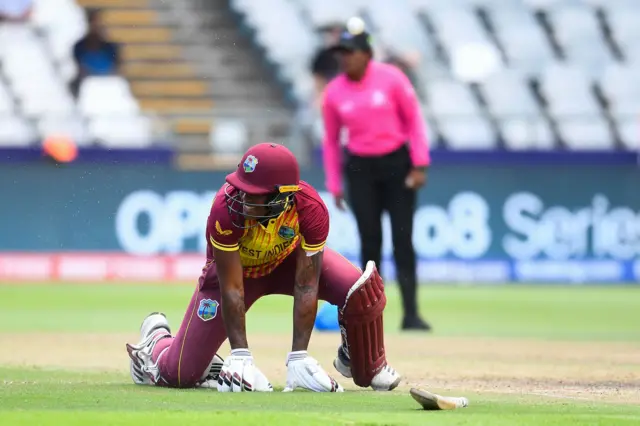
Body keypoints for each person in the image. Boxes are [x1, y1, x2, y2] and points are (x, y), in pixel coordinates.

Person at [126, 143, 402, 393]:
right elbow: (232, 288)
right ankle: (156, 343)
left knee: (360, 288)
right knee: (179, 374)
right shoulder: (225, 208)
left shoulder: (310, 208)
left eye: (254, 194)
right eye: (242, 188)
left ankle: (364, 362)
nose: (243, 198)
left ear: (282, 197)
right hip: (237, 276)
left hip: (286, 264)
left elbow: (307, 283)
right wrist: (241, 355)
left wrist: (298, 356)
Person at [321, 24, 432, 332]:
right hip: (359, 170)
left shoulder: (392, 78)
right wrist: (334, 184)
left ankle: (411, 314)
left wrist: (419, 164)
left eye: (350, 52)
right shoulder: (334, 92)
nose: (344, 59)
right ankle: (372, 316)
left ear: (367, 54)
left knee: (402, 240)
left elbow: (414, 122)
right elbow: (331, 141)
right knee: (370, 243)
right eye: (340, 53)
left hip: (397, 165)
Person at [70, 8, 120, 97]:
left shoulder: (111, 47)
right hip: (88, 85)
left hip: (108, 84)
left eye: (98, 23)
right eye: (93, 23)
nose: (96, 26)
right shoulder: (79, 47)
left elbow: (117, 67)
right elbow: (79, 68)